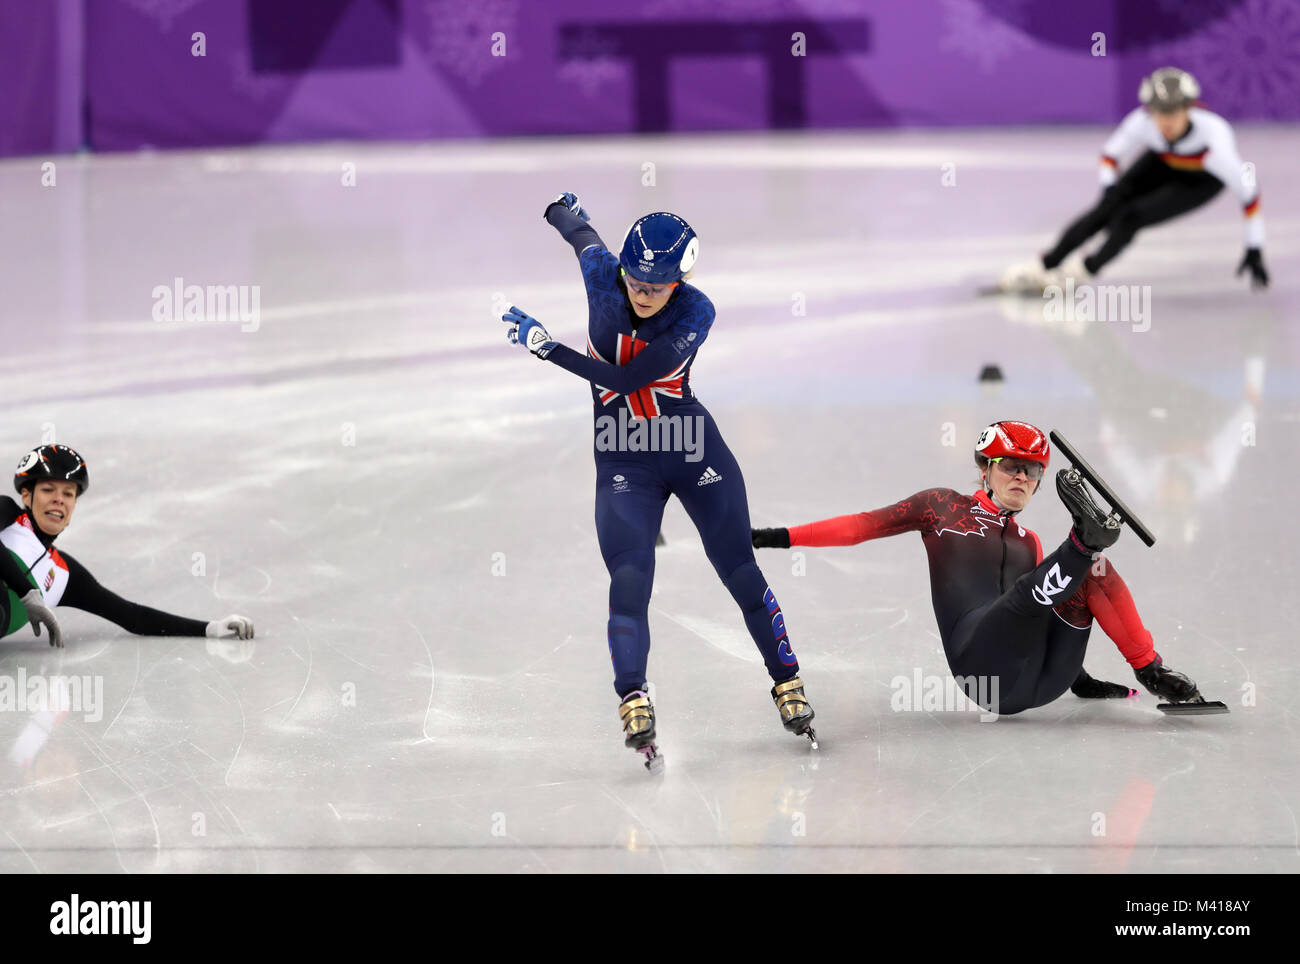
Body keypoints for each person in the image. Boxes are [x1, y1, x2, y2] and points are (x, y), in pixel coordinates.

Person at [498, 192, 816, 768]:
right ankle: (634, 697)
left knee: (740, 569)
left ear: (681, 281)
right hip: (625, 459)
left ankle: (788, 681)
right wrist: (560, 209)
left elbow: (625, 380)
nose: (641, 296)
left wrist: (545, 347)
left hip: (691, 450)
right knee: (630, 573)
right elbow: (582, 237)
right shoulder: (604, 272)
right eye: (634, 283)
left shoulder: (697, 312)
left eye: (655, 288)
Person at [751, 420, 1203, 716]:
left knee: (1094, 572)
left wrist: (1079, 678)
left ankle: (1153, 672)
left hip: (1043, 682)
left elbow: (1043, 614)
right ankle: (1083, 541)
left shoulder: (1029, 541)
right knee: (1042, 583)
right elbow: (860, 527)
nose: (1022, 478)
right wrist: (776, 536)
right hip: (983, 673)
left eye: (1033, 471)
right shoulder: (941, 507)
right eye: (1011, 467)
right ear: (986, 468)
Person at [1000, 67, 1268, 292]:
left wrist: (1253, 246)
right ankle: (1045, 264)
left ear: (1189, 108)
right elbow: (1109, 156)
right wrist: (1108, 188)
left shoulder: (1214, 141)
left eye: (1173, 112)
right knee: (1105, 210)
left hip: (1201, 178)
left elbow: (1249, 191)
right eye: (1159, 112)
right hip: (1162, 160)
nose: (1166, 121)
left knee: (1132, 217)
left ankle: (1081, 272)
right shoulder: (1142, 123)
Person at [1, 444, 253, 648]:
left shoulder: (64, 574)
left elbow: (133, 617)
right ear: (26, 495)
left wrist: (210, 628)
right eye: (48, 489)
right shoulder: (7, 513)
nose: (59, 500)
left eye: (68, 494)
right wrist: (27, 593)